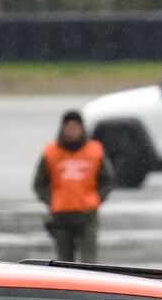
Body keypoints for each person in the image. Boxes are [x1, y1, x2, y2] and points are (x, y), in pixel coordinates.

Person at [34, 110, 115, 263]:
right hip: (61, 216)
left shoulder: (95, 150)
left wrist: (97, 198)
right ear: (62, 129)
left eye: (75, 128)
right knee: (64, 262)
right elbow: (39, 183)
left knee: (89, 262)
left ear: (82, 129)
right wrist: (51, 200)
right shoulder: (50, 152)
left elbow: (107, 180)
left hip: (87, 214)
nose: (72, 132)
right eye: (69, 128)